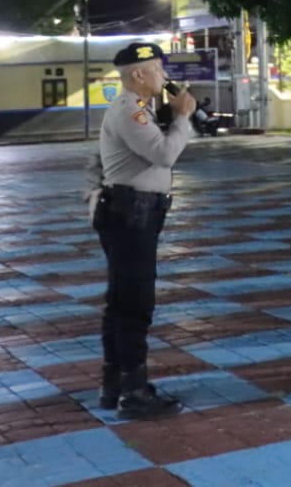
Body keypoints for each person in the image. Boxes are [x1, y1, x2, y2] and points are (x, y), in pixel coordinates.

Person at [86, 42, 194, 419]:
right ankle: (133, 392)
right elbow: (165, 154)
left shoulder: (139, 110)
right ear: (138, 75)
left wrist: (170, 116)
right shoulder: (130, 111)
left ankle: (114, 383)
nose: (164, 76)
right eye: (158, 69)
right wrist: (182, 118)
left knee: (121, 301)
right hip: (131, 215)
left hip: (132, 213)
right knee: (135, 303)